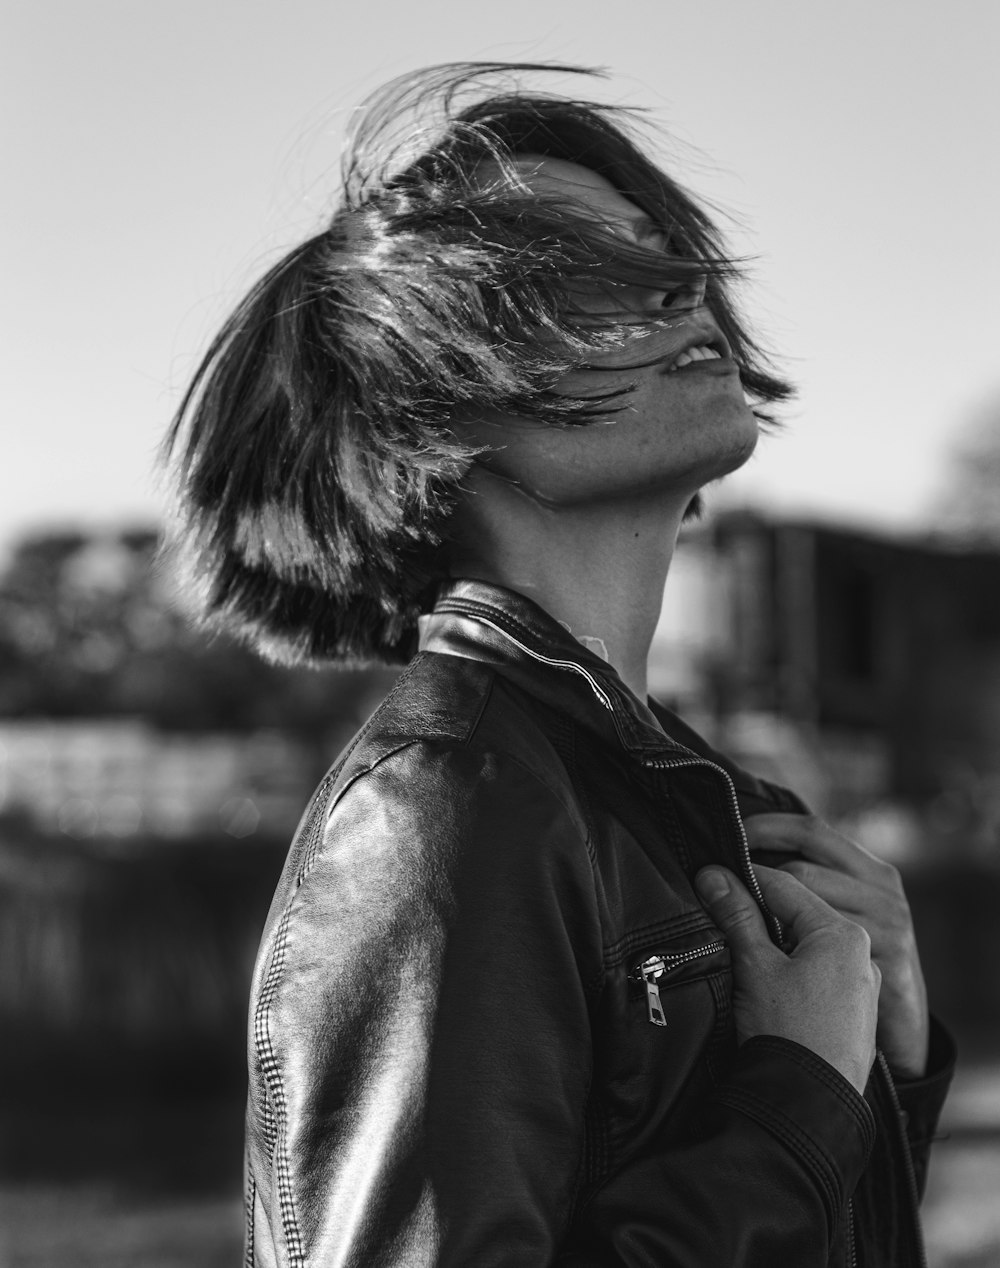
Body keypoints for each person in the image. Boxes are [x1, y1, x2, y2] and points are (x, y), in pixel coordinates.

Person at [163, 62, 954, 1266]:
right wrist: (794, 1099)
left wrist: (879, 1075)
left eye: (656, 242)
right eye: (580, 268)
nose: (679, 277)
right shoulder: (444, 807)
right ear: (431, 402)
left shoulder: (710, 809)